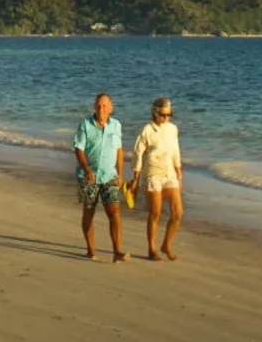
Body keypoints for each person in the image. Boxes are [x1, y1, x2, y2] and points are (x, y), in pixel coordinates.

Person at [72, 92, 129, 262]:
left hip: (109, 175)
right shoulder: (85, 125)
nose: (101, 108)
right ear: (94, 106)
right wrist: (87, 170)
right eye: (98, 105)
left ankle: (117, 251)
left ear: (111, 108)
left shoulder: (116, 126)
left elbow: (119, 150)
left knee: (114, 212)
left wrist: (120, 174)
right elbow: (79, 149)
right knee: (89, 212)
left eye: (104, 105)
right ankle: (90, 249)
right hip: (89, 176)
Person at [129, 97, 184, 261]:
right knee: (155, 213)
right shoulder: (147, 130)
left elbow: (175, 151)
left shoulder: (172, 129)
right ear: (155, 112)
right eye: (163, 114)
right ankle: (152, 249)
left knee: (177, 213)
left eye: (169, 114)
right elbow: (138, 153)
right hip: (153, 173)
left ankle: (166, 244)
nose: (166, 118)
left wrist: (179, 172)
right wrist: (135, 177)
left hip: (169, 173)